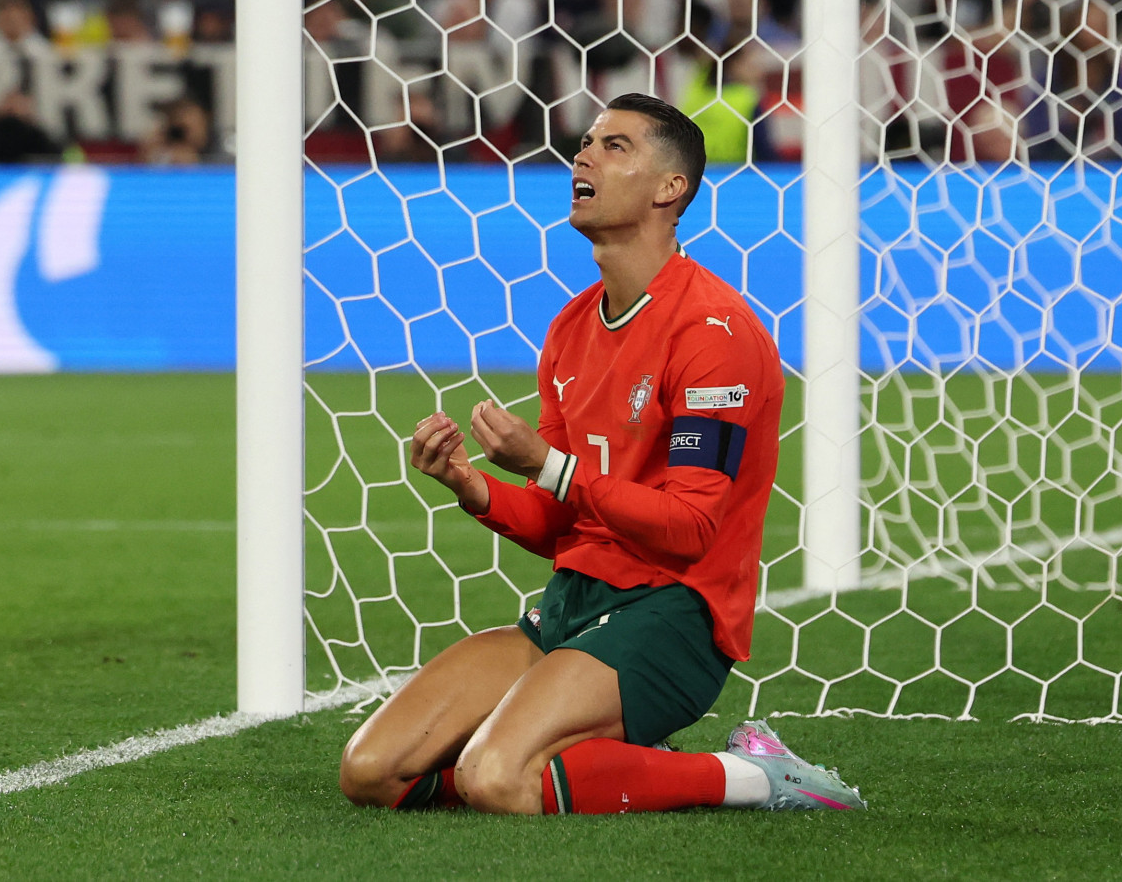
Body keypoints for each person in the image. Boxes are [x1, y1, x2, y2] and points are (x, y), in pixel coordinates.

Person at [339, 93, 866, 816]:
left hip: (673, 614)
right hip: (572, 606)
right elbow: (561, 523)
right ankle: (612, 764)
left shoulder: (713, 332)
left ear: (669, 188)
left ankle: (752, 773)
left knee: (497, 776)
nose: (583, 155)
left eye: (614, 146)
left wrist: (547, 466)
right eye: (586, 142)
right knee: (371, 771)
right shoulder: (571, 328)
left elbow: (690, 527)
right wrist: (469, 484)